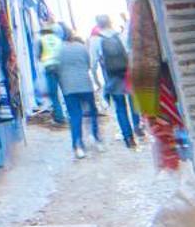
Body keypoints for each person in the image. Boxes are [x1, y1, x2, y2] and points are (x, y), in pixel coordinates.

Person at [51, 28, 101, 158]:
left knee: (75, 116)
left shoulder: (57, 51)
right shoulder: (81, 47)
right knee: (92, 112)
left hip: (68, 88)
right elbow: (88, 65)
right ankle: (95, 137)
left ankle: (78, 146)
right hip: (85, 85)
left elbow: (55, 69)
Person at [94, 15, 138, 149]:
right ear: (110, 22)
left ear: (98, 25)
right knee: (134, 104)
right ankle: (138, 127)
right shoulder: (121, 35)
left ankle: (128, 137)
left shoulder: (97, 41)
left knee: (120, 108)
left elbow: (93, 63)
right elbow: (131, 53)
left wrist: (98, 83)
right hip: (128, 75)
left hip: (112, 78)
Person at [38, 23, 68, 126]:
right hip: (61, 67)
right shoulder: (57, 39)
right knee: (65, 92)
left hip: (49, 68)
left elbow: (38, 55)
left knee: (54, 94)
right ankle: (69, 113)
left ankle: (59, 117)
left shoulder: (41, 40)